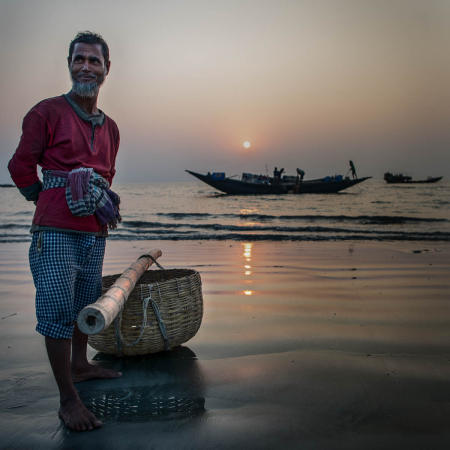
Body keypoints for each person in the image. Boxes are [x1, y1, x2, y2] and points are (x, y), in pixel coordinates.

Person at [8, 31, 121, 432]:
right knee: (57, 310)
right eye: (79, 59)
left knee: (84, 303)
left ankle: (80, 364)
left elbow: (105, 176)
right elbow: (20, 166)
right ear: (69, 64)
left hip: (94, 230)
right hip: (54, 230)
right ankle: (67, 399)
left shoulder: (112, 129)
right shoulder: (46, 113)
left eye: (94, 60)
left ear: (107, 70)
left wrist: (97, 199)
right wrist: (48, 197)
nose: (86, 66)